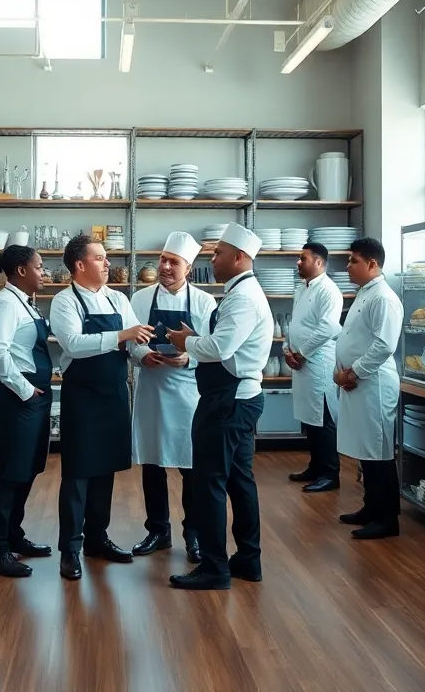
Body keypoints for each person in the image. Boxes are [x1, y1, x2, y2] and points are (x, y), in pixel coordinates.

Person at [165, 223, 274, 591]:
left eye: (218, 253)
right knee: (240, 480)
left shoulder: (242, 298)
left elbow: (219, 349)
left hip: (228, 402)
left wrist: (187, 340)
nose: (212, 260)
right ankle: (248, 558)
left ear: (240, 257)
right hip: (236, 399)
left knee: (208, 483)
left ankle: (214, 567)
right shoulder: (241, 293)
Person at [48, 234, 153, 580]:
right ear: (79, 265)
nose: (108, 264)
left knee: (105, 471)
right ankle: (70, 550)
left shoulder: (118, 300)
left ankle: (97, 538)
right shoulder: (64, 302)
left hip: (113, 394)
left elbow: (133, 344)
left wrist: (146, 356)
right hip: (82, 396)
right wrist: (124, 337)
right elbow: (75, 345)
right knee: (77, 474)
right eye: (100, 258)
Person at [128, 232, 217, 563]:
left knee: (191, 465)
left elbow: (214, 348)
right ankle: (158, 530)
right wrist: (141, 356)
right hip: (151, 388)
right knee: (152, 463)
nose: (165, 266)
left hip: (188, 392)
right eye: (163, 259)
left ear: (189, 268)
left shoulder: (206, 303)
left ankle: (193, 534)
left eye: (173, 262)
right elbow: (130, 342)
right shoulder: (139, 299)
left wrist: (189, 357)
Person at [0, 245, 54, 578]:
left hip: (33, 397)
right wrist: (26, 391)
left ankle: (14, 535)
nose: (44, 272)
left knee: (28, 469)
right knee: (9, 474)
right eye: (40, 267)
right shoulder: (4, 305)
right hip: (16, 398)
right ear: (22, 270)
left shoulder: (27, 303)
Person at [333, 237, 404, 540]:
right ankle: (370, 507)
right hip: (358, 383)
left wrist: (354, 373)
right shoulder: (365, 293)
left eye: (354, 261)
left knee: (379, 452)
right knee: (366, 451)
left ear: (373, 264)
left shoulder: (384, 298)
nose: (348, 266)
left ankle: (387, 519)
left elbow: (384, 345)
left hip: (373, 383)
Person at [285, 242, 344, 493]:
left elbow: (329, 327)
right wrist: (288, 351)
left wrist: (303, 352)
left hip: (318, 361)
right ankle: (315, 466)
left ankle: (330, 473)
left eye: (303, 258)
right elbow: (296, 323)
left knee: (324, 417)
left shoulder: (329, 290)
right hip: (301, 360)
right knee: (310, 417)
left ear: (318, 262)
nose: (298, 263)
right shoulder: (302, 289)